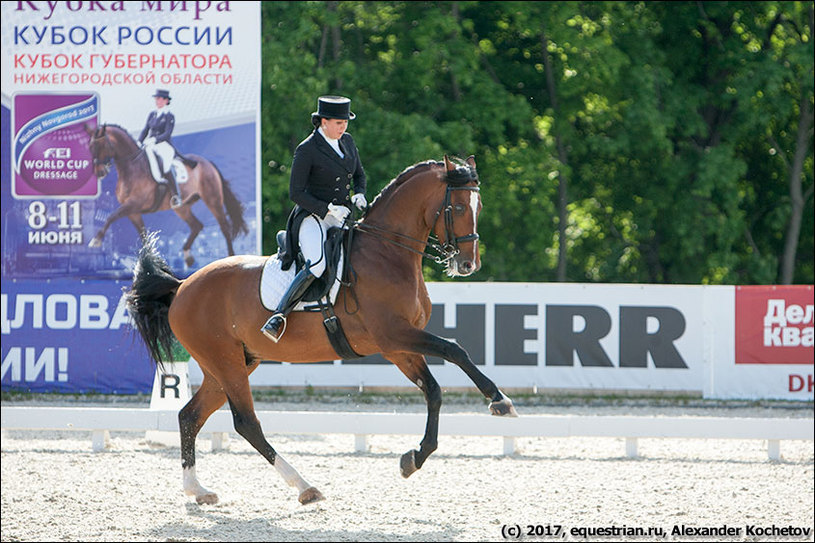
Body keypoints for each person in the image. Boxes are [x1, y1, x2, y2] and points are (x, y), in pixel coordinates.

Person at [261, 95, 368, 342]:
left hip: (343, 214)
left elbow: (360, 175)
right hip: (313, 216)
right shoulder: (307, 149)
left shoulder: (348, 142)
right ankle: (279, 315)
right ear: (323, 122)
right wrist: (327, 209)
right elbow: (295, 193)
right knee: (318, 263)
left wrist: (360, 194)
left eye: (345, 123)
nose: (343, 127)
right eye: (339, 122)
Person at [138, 88, 182, 208]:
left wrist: (155, 139)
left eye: (159, 99)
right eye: (156, 99)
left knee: (166, 164)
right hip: (150, 143)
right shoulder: (152, 114)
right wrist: (139, 141)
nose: (157, 101)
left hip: (164, 145)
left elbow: (167, 133)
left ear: (166, 100)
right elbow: (145, 130)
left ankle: (176, 195)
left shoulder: (169, 116)